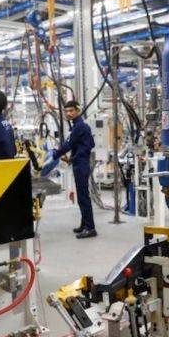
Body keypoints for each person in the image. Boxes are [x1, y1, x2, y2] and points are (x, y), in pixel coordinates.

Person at [53, 100, 97, 239]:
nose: (68, 113)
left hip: (81, 165)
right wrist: (74, 157)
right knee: (82, 196)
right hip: (80, 163)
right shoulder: (78, 126)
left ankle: (90, 228)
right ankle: (84, 224)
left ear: (78, 110)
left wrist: (55, 155)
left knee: (83, 197)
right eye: (66, 111)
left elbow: (69, 144)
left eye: (71, 111)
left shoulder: (80, 126)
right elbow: (89, 144)